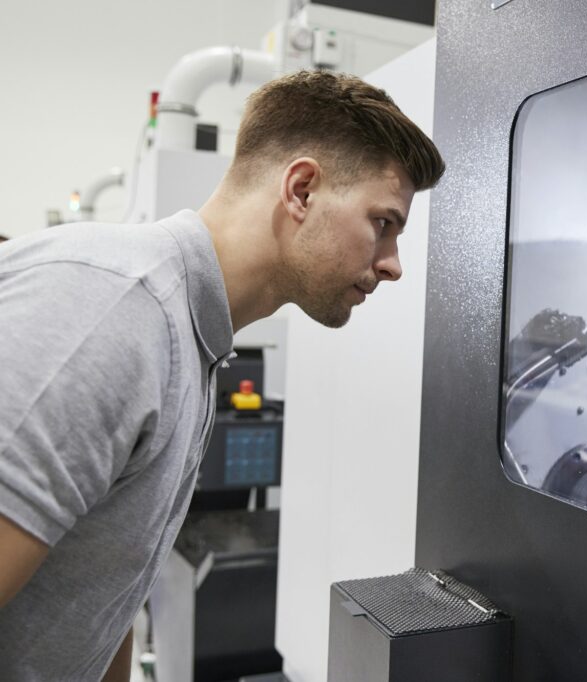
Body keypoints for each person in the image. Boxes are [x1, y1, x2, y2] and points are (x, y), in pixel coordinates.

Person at [0, 70, 445, 681]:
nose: (392, 264)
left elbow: (105, 590)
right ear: (302, 190)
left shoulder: (192, 340)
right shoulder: (116, 313)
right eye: (384, 223)